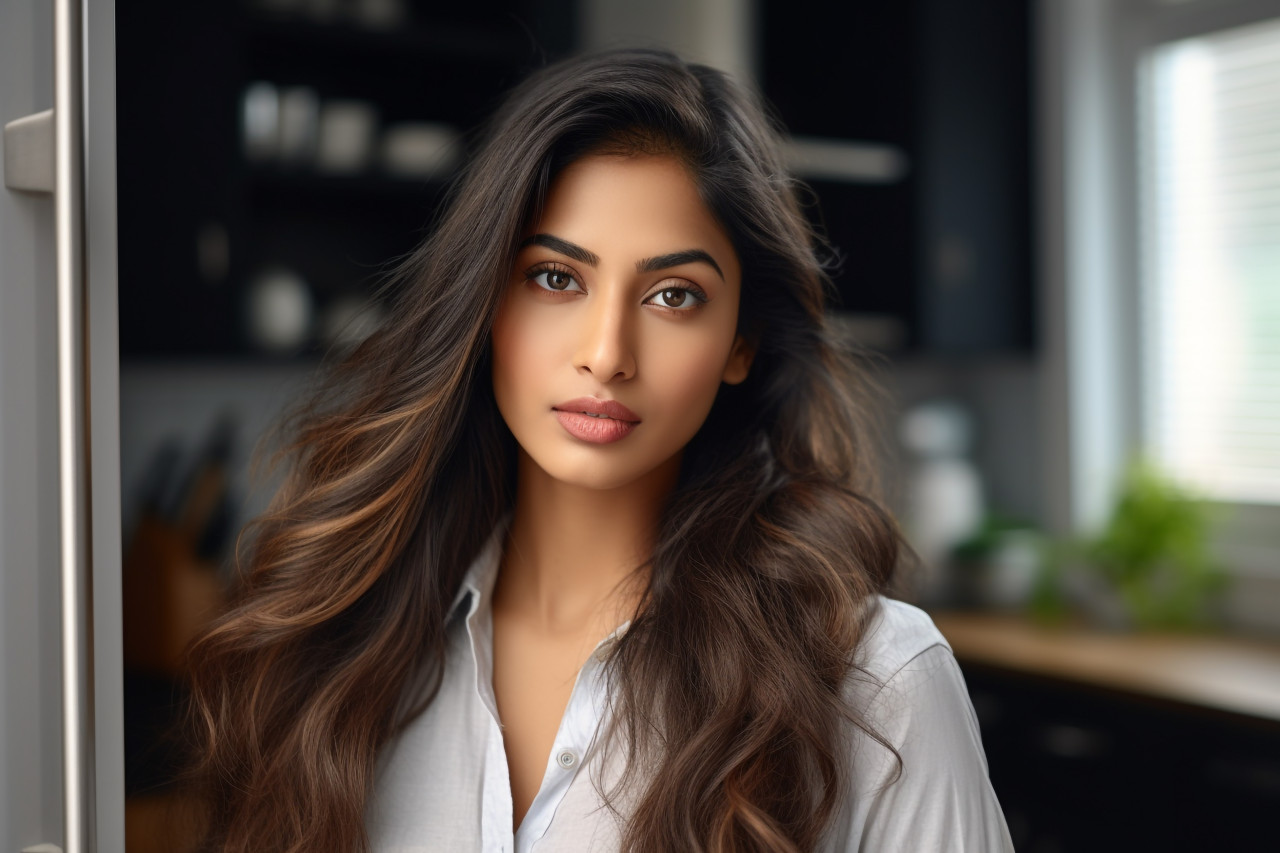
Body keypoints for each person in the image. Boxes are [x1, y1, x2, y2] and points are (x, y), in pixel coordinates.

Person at [184, 48, 1014, 852]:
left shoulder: (880, 684)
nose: (606, 351)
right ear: (487, 302)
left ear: (741, 341)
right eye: (556, 277)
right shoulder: (338, 650)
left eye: (673, 295)